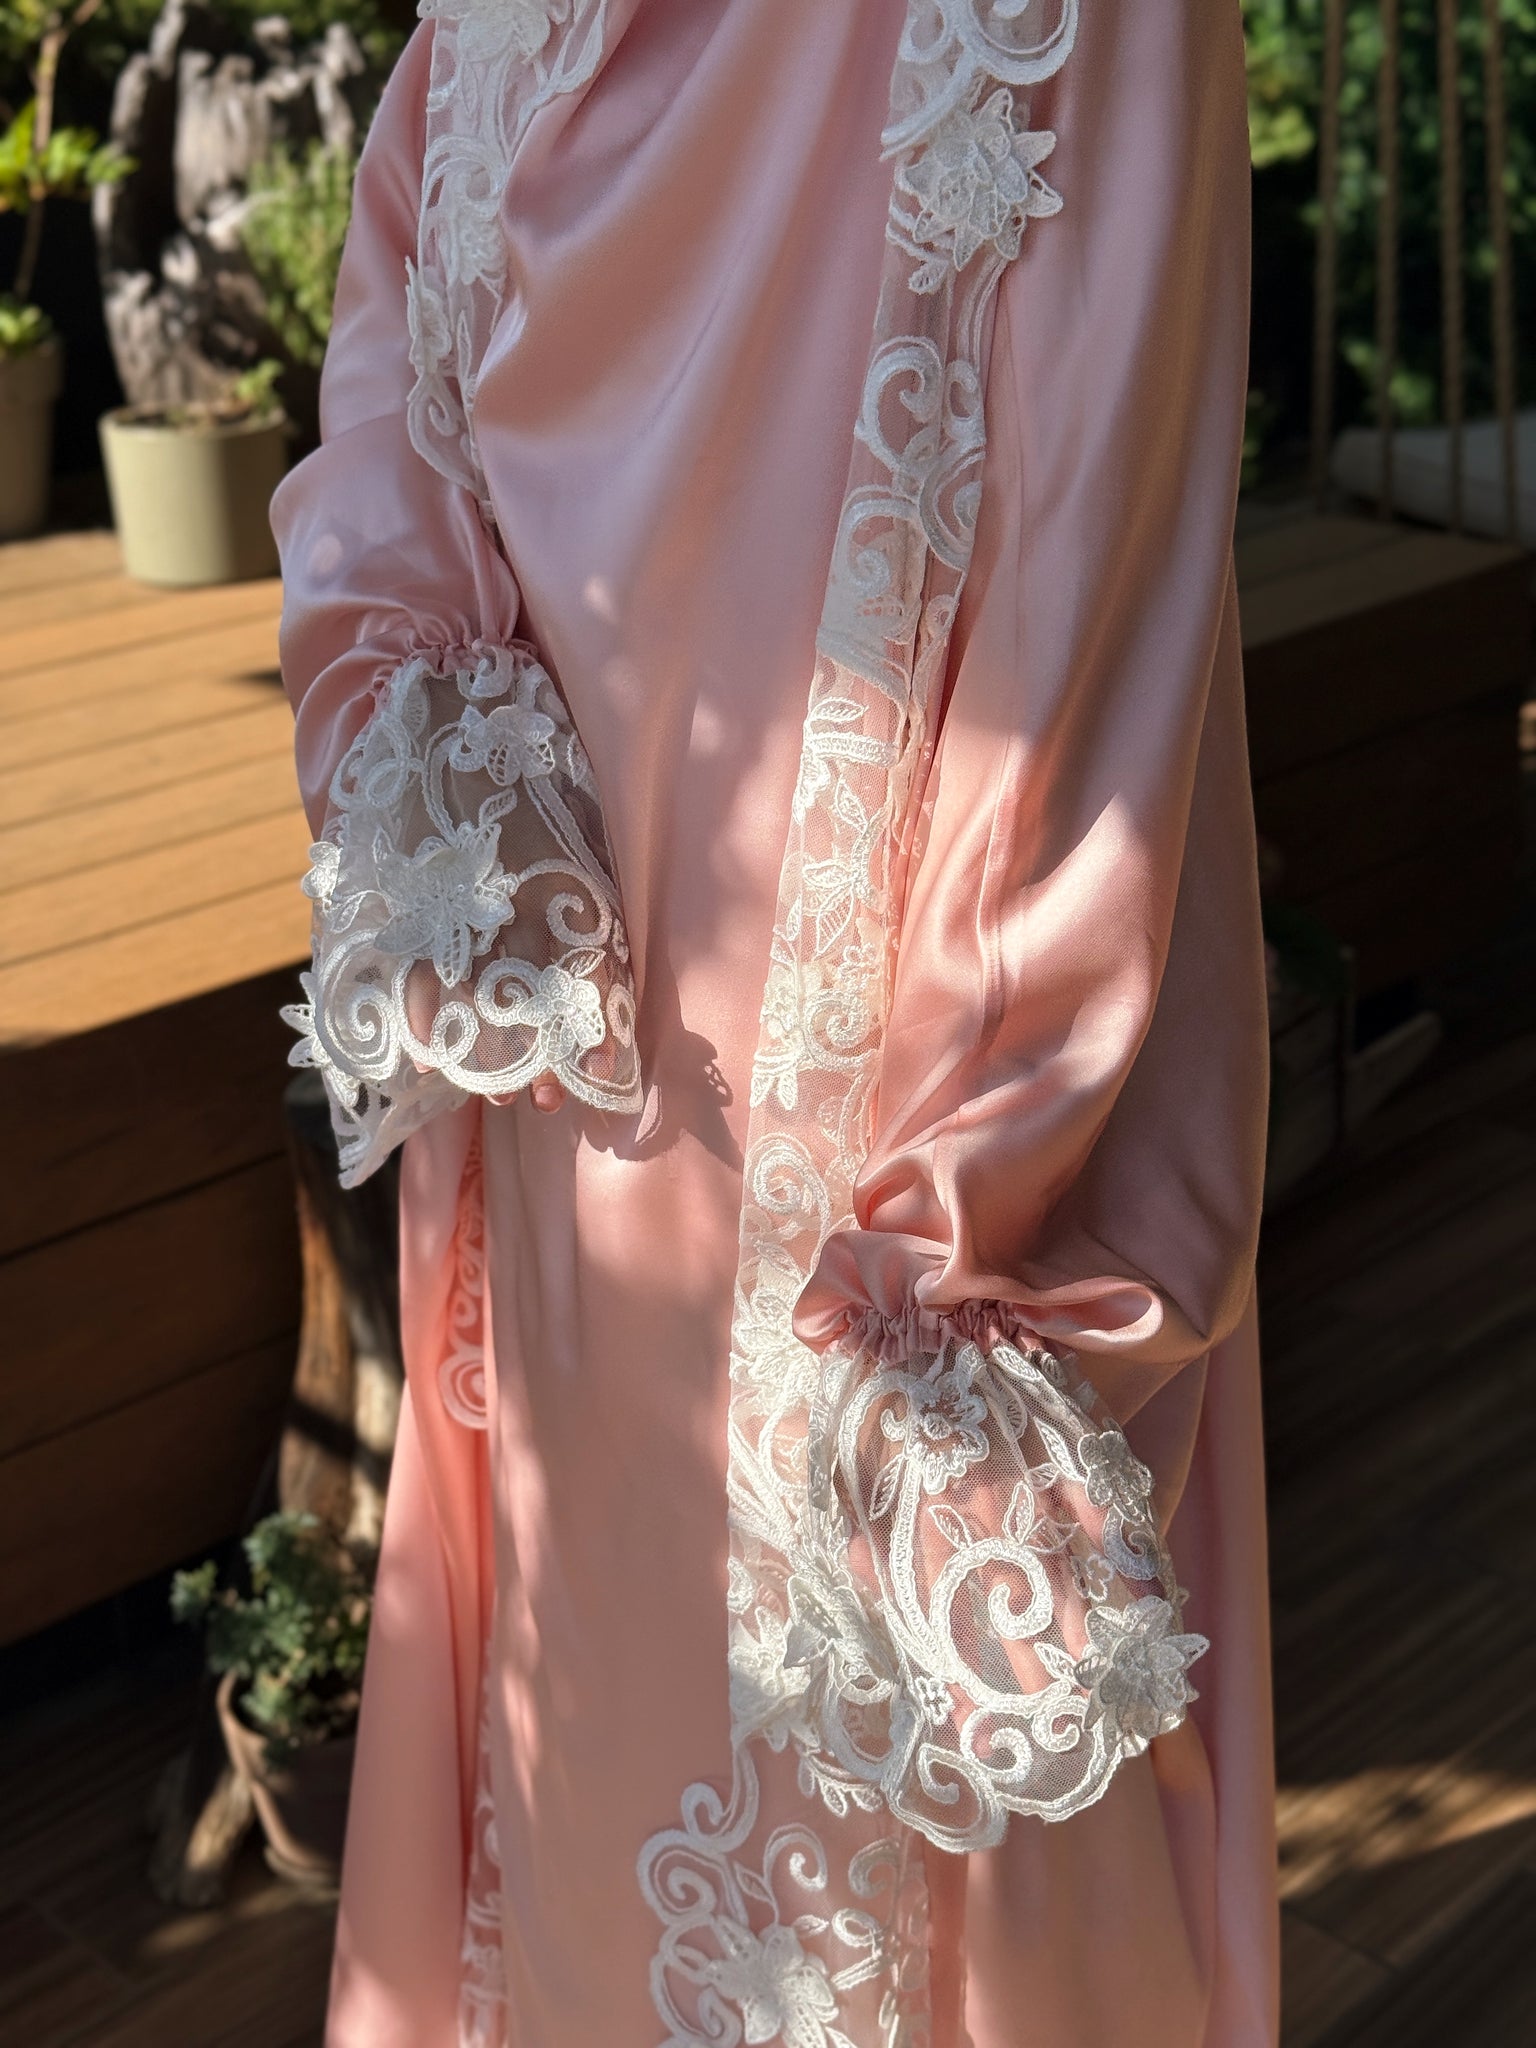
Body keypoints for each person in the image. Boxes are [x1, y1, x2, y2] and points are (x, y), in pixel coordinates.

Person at [273, 3, 1277, 2043]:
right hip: (621, 1069)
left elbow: (1086, 605)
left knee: (882, 1745)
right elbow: (409, 331)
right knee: (638, 1682)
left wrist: (964, 1240)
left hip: (857, 1088)